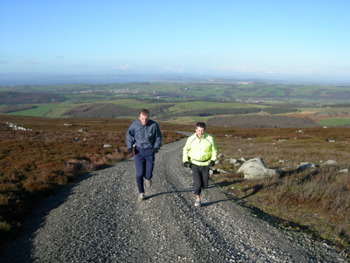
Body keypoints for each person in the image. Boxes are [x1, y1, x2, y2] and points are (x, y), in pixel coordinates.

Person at [126, 109, 162, 201]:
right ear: (139, 117)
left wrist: (156, 146)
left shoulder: (153, 125)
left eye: (146, 119)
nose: (144, 121)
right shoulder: (134, 125)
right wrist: (129, 146)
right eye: (142, 119)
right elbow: (129, 135)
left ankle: (148, 178)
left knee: (148, 173)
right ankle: (141, 193)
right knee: (139, 173)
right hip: (138, 151)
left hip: (150, 151)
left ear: (148, 117)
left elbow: (158, 136)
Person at [183, 122, 217, 207]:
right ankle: (198, 199)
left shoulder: (210, 139)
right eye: (198, 131)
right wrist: (185, 160)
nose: (200, 133)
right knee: (197, 183)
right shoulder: (191, 139)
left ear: (205, 130)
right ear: (195, 130)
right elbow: (185, 150)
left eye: (202, 131)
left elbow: (214, 150)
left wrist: (213, 159)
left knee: (204, 184)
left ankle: (198, 187)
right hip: (195, 164)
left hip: (205, 164)